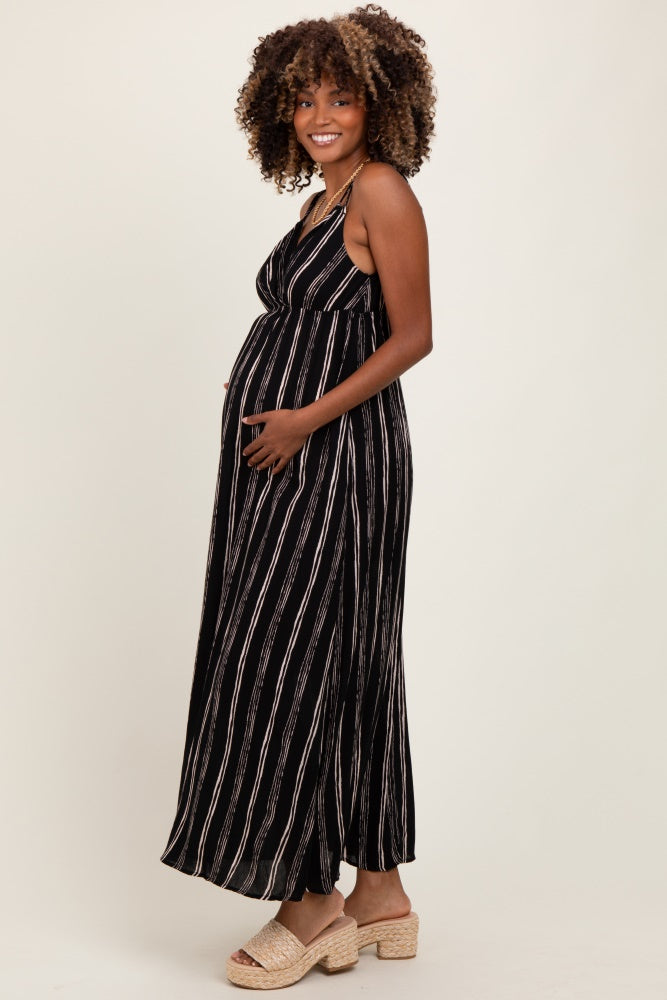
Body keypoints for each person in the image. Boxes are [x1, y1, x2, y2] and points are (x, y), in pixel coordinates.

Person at [159, 3, 436, 988]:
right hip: (282, 459)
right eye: (304, 98)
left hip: (336, 457)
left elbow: (413, 336)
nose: (320, 115)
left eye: (340, 97)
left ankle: (311, 900)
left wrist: (302, 414)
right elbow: (312, 322)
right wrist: (261, 381)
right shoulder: (320, 202)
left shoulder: (381, 190)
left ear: (378, 104)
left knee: (295, 655)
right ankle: (380, 892)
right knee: (344, 652)